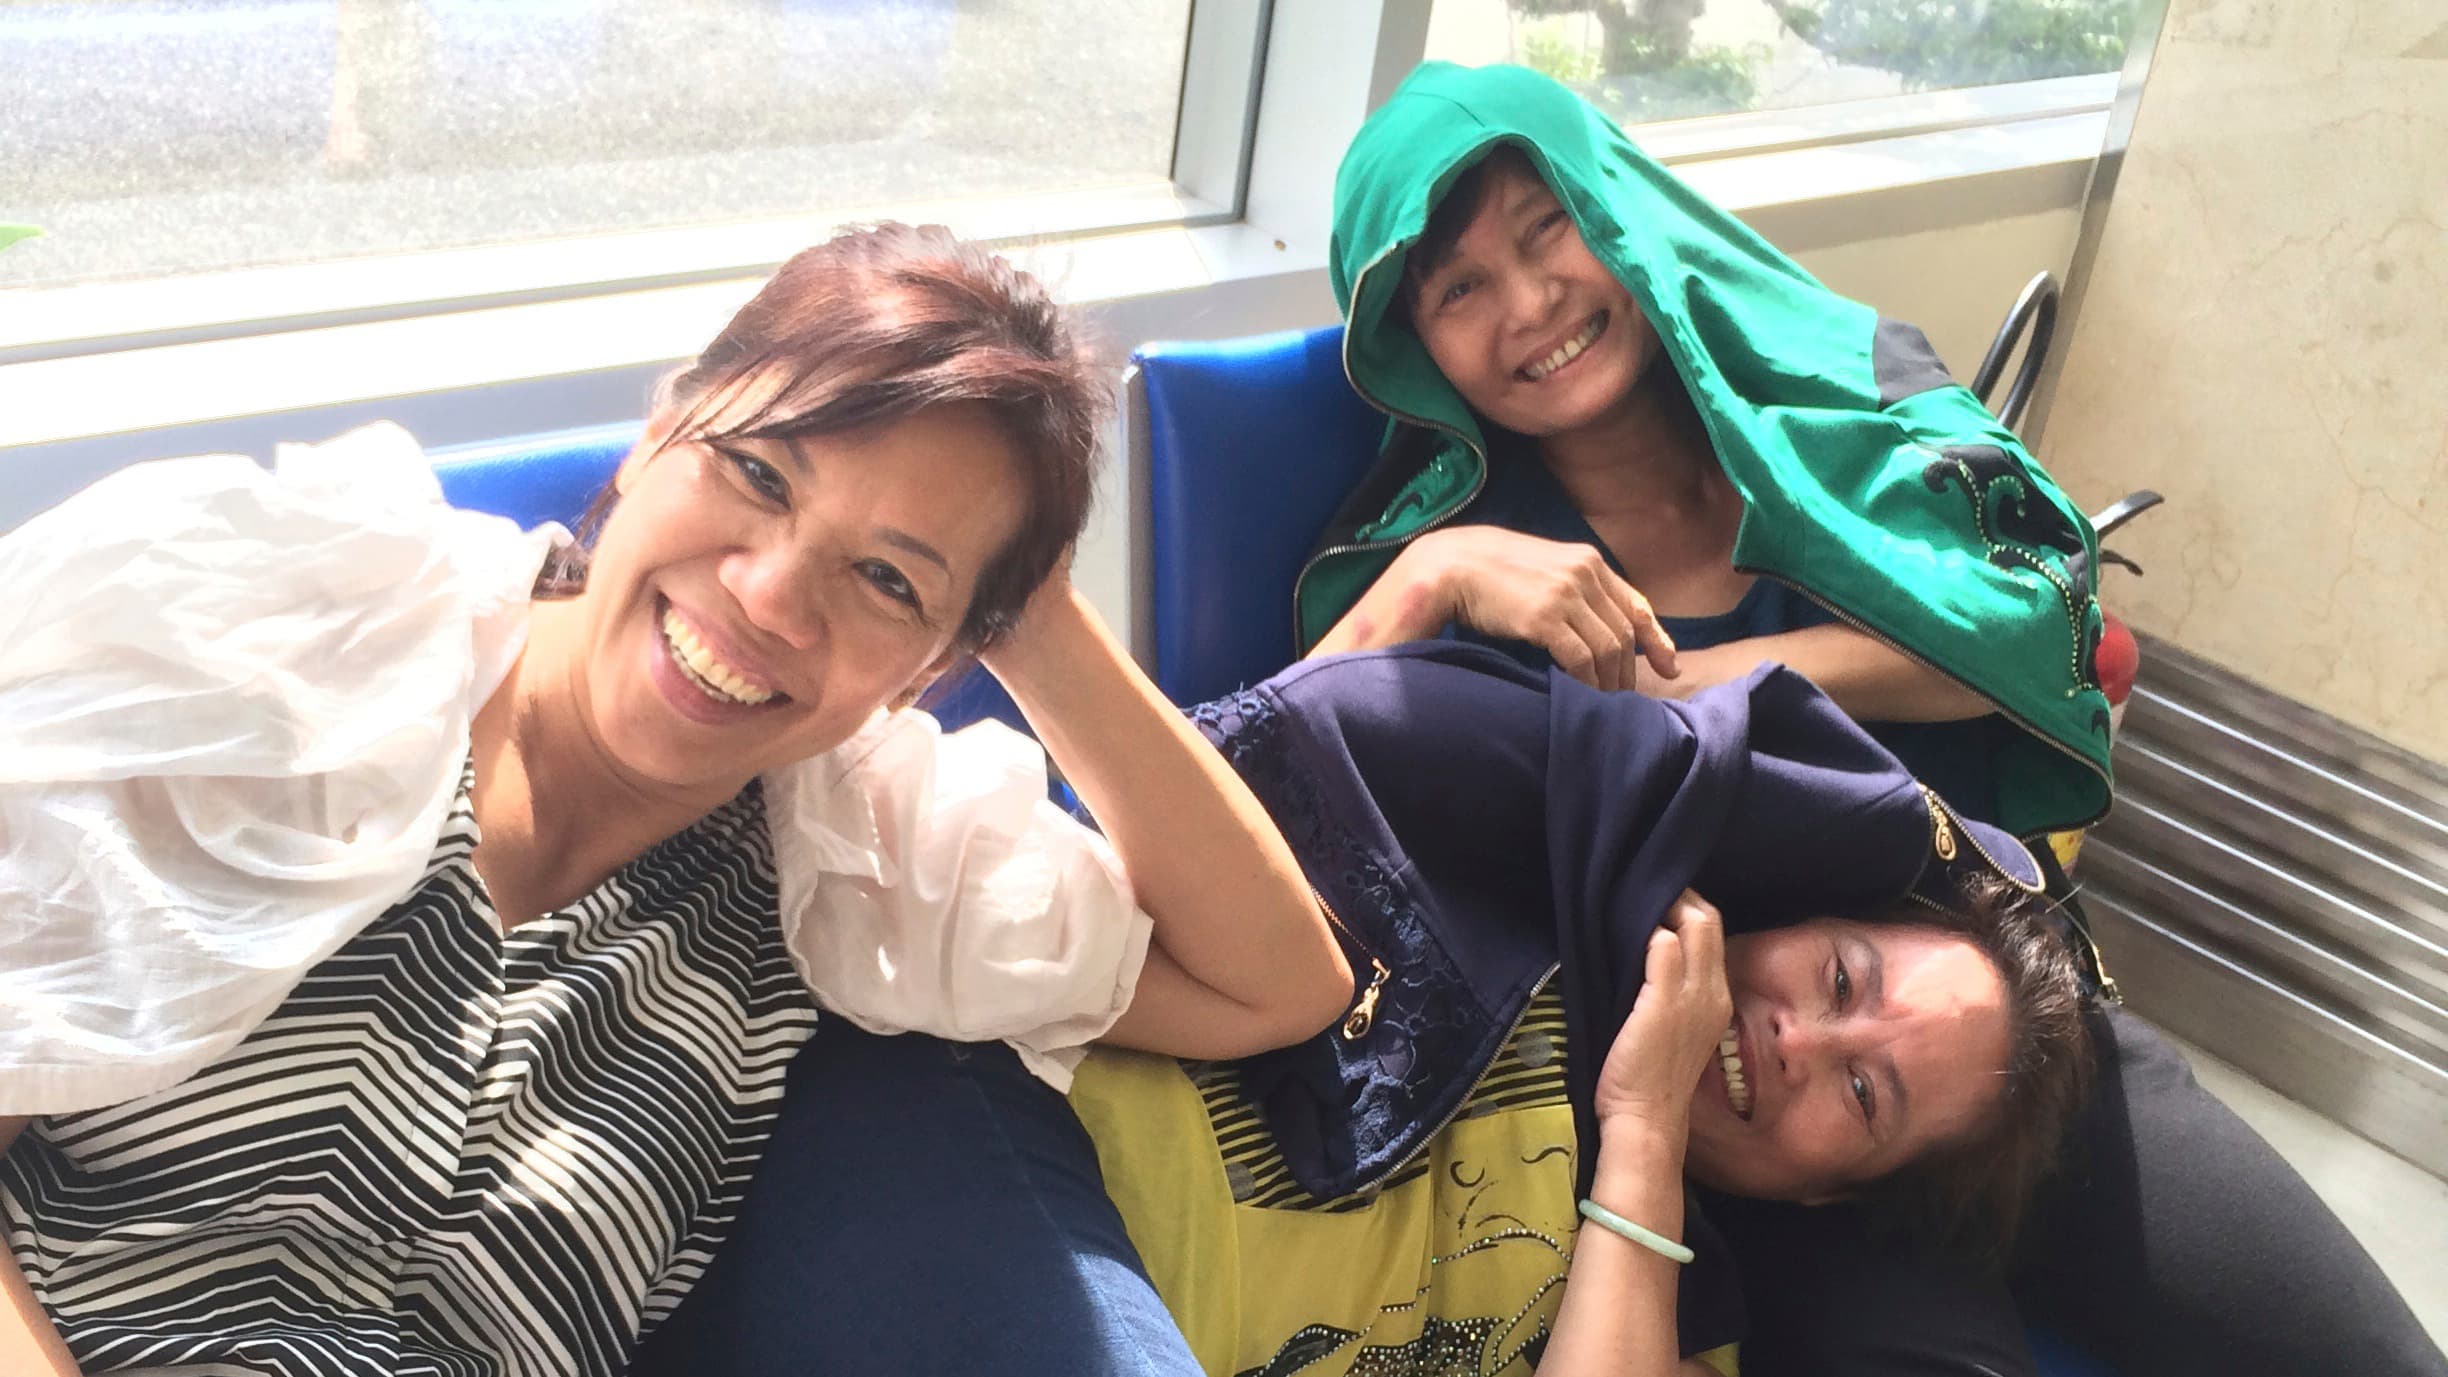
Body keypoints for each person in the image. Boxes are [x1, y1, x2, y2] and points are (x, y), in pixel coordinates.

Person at [0, 223, 1352, 1377]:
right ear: (663, 424)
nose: (768, 597)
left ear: (933, 668)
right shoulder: (300, 626)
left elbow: (1275, 982)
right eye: (758, 472)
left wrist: (1028, 609)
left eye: (888, 582)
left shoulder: (852, 870)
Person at [1296, 60, 2446, 1377]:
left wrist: (1723, 682)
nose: (1530, 302)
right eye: (1457, 289)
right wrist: (1433, 576)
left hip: (1997, 1034)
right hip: (1746, 1126)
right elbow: (1276, 768)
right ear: (1411, 342)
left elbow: (2036, 629)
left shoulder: (1847, 386)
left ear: (1616, 210)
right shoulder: (1454, 555)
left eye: (1543, 229)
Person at [1070, 642, 2097, 1377]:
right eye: (1840, 979)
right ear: (1797, 915)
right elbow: (1277, 778)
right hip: (1017, 1147)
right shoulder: (1545, 888)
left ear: (1829, 1197)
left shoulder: (1684, 1324)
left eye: (1865, 1092)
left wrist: (1643, 1133)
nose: (1797, 1041)